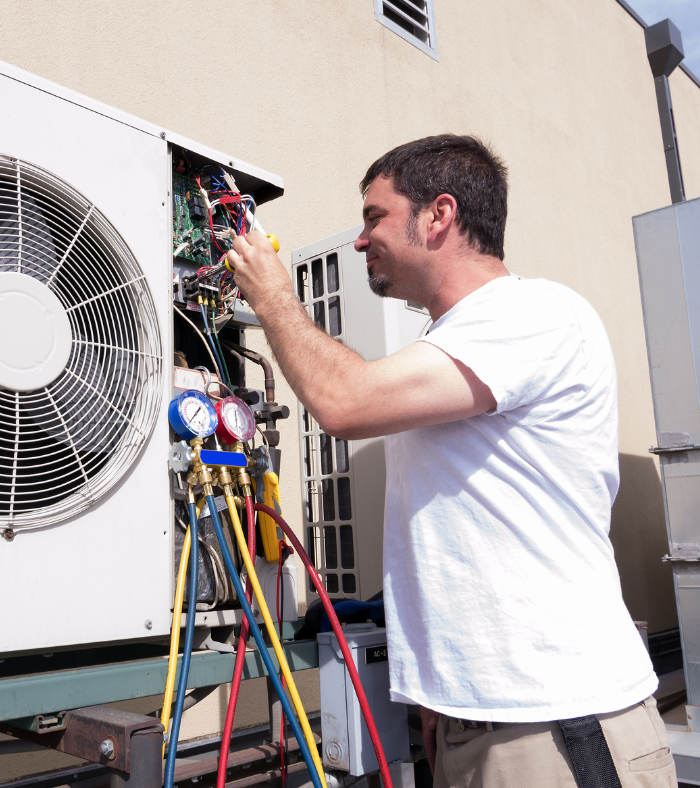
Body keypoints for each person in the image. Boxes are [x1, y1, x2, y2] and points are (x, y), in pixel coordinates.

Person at [227, 135, 674, 787]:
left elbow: (344, 402)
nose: (359, 241)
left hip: (557, 728)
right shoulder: (456, 346)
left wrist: (273, 300)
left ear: (439, 215)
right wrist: (442, 700)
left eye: (374, 216)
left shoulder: (530, 314)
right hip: (482, 726)